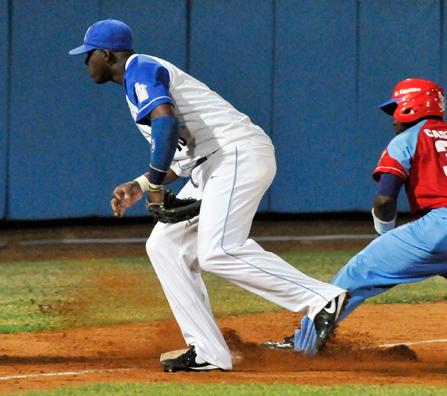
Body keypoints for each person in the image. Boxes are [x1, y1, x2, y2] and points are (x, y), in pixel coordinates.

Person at [69, 19, 348, 372]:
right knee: (164, 246)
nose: (85, 62)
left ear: (106, 54)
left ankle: (320, 298)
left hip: (235, 156)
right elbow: (181, 155)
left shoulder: (139, 68)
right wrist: (141, 184)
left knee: (218, 251)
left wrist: (155, 187)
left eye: (88, 54)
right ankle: (208, 351)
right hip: (213, 163)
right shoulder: (137, 81)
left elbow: (166, 124)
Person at [263, 78, 447, 364]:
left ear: (413, 107)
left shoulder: (408, 138)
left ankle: (304, 342)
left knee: (357, 272)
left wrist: (384, 235)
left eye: (395, 108)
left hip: (443, 228)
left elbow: (384, 199)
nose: (393, 116)